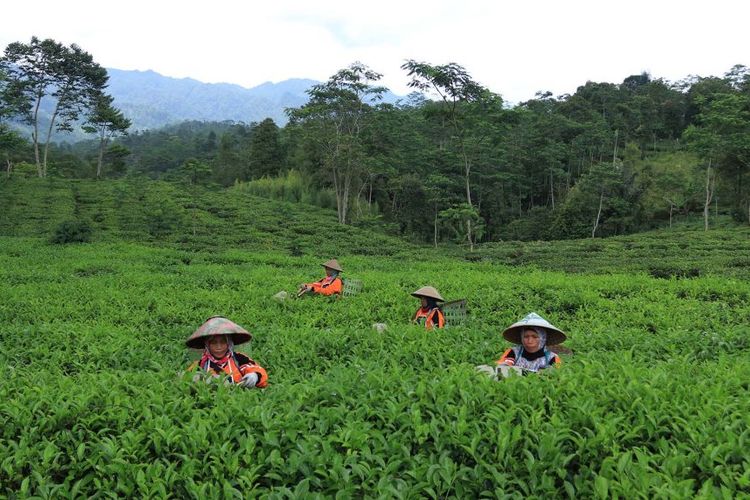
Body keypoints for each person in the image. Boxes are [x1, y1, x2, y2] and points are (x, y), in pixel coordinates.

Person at [476, 312, 566, 379]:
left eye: (535, 337)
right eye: (526, 336)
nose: (530, 340)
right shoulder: (513, 352)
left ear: (542, 338)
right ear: (522, 338)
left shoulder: (552, 358)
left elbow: (556, 376)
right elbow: (502, 366)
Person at [185, 316, 268, 388]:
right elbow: (185, 381)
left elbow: (255, 369)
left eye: (223, 342)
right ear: (207, 345)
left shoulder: (239, 359)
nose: (219, 347)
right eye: (213, 343)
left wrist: (255, 376)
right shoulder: (200, 364)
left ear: (229, 343)